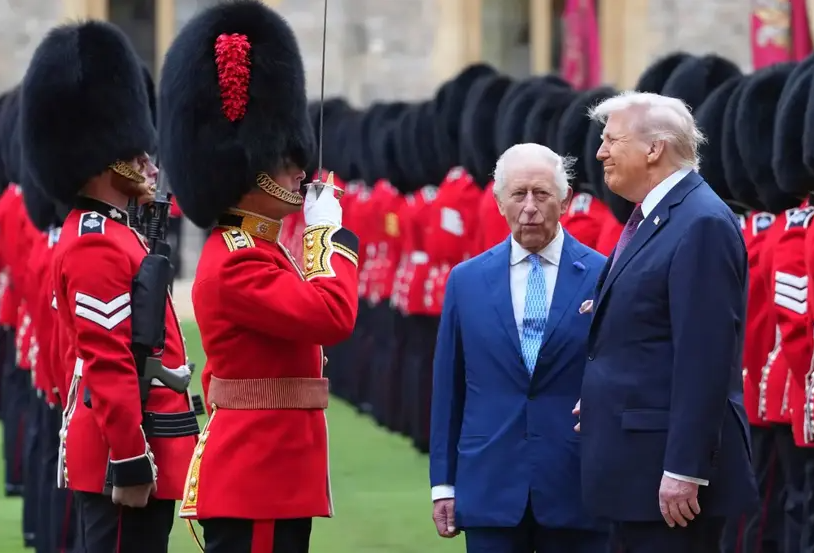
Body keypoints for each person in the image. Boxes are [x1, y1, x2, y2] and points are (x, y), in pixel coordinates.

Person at [158, 2, 359, 552]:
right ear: (246, 170)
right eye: (283, 162)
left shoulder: (261, 250)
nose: (300, 172)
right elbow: (332, 315)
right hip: (258, 478)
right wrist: (330, 238)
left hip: (274, 474)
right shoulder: (239, 260)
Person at [20, 20, 199, 553]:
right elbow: (109, 361)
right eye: (136, 150)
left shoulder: (115, 233)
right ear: (105, 156)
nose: (147, 161)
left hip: (143, 443)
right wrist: (129, 458)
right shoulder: (96, 242)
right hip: (123, 455)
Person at [577, 91, 758, 553]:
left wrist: (685, 468)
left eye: (611, 140)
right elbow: (648, 332)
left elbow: (705, 357)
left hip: (667, 477)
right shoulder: (656, 217)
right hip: (636, 464)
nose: (600, 152)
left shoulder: (699, 223)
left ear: (654, 149)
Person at [429, 143, 610, 553]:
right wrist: (443, 483)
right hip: (489, 482)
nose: (530, 207)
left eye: (542, 194)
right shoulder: (466, 280)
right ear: (498, 202)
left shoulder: (604, 274)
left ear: (564, 201)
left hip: (576, 483)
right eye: (519, 194)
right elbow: (449, 388)